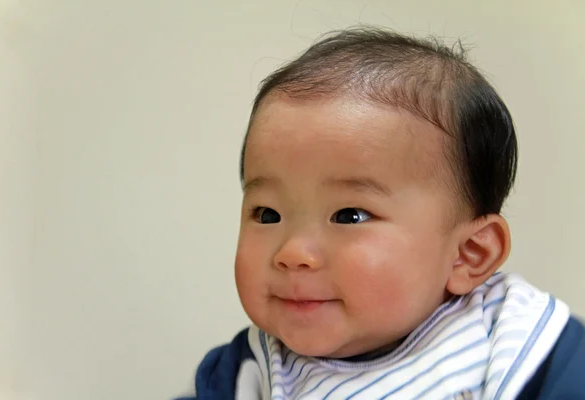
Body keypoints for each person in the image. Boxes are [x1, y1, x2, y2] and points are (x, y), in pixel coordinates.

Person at [175, 28, 585, 399]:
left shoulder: (523, 347)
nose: (292, 252)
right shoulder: (247, 372)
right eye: (267, 214)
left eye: (349, 215)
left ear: (468, 254)